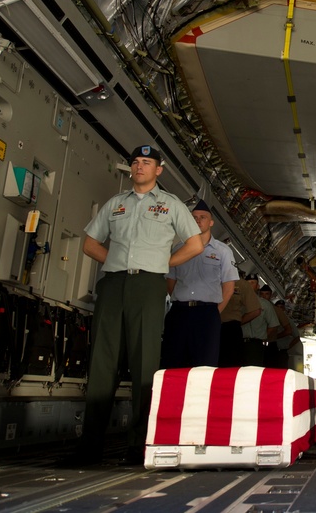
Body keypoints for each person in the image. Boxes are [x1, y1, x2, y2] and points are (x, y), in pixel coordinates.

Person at [66, 145, 202, 466]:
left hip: (149, 284)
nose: (140, 167)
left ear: (159, 170)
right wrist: (113, 260)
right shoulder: (116, 204)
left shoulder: (171, 206)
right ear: (131, 169)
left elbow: (195, 243)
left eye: (147, 162)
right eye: (136, 162)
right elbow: (89, 243)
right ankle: (90, 447)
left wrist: (163, 263)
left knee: (144, 363)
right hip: (113, 283)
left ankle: (138, 446)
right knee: (102, 361)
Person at [162, 199, 238, 369]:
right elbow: (171, 282)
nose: (198, 220)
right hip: (179, 312)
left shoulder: (223, 251)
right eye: (194, 217)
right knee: (173, 362)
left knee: (205, 365)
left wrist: (213, 312)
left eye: (203, 217)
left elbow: (229, 288)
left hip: (207, 313)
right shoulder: (178, 249)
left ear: (211, 222)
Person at [220, 275, 262, 367]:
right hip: (208, 328)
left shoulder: (241, 284)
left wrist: (237, 322)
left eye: (253, 282)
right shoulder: (207, 280)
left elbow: (255, 311)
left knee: (230, 367)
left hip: (230, 330)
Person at [243, 284, 282, 366]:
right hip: (240, 342)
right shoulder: (240, 302)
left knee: (255, 371)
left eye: (267, 294)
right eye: (262, 294)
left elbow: (274, 325)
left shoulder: (267, 306)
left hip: (257, 343)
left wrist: (263, 336)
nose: (264, 296)